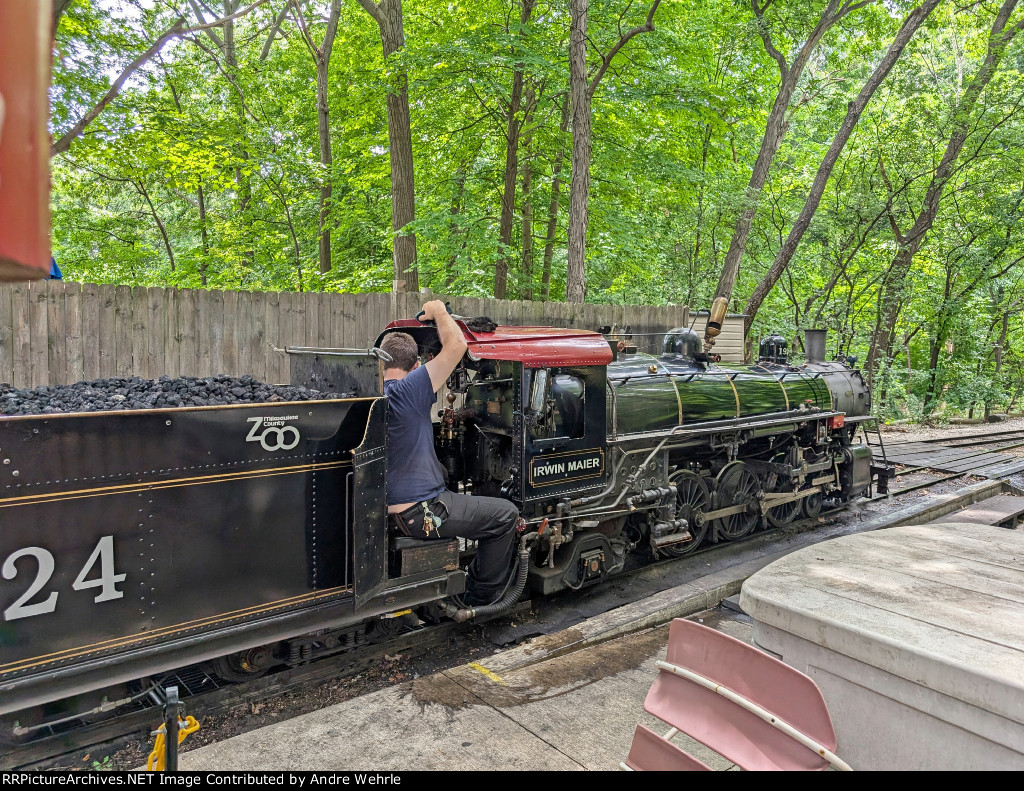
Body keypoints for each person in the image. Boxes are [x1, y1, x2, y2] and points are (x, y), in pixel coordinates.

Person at [380, 300, 520, 606]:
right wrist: (438, 310)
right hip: (419, 511)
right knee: (506, 515)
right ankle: (482, 598)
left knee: (446, 478)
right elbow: (455, 345)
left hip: (389, 506)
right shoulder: (407, 390)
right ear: (416, 366)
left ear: (382, 364)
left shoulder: (377, 394)